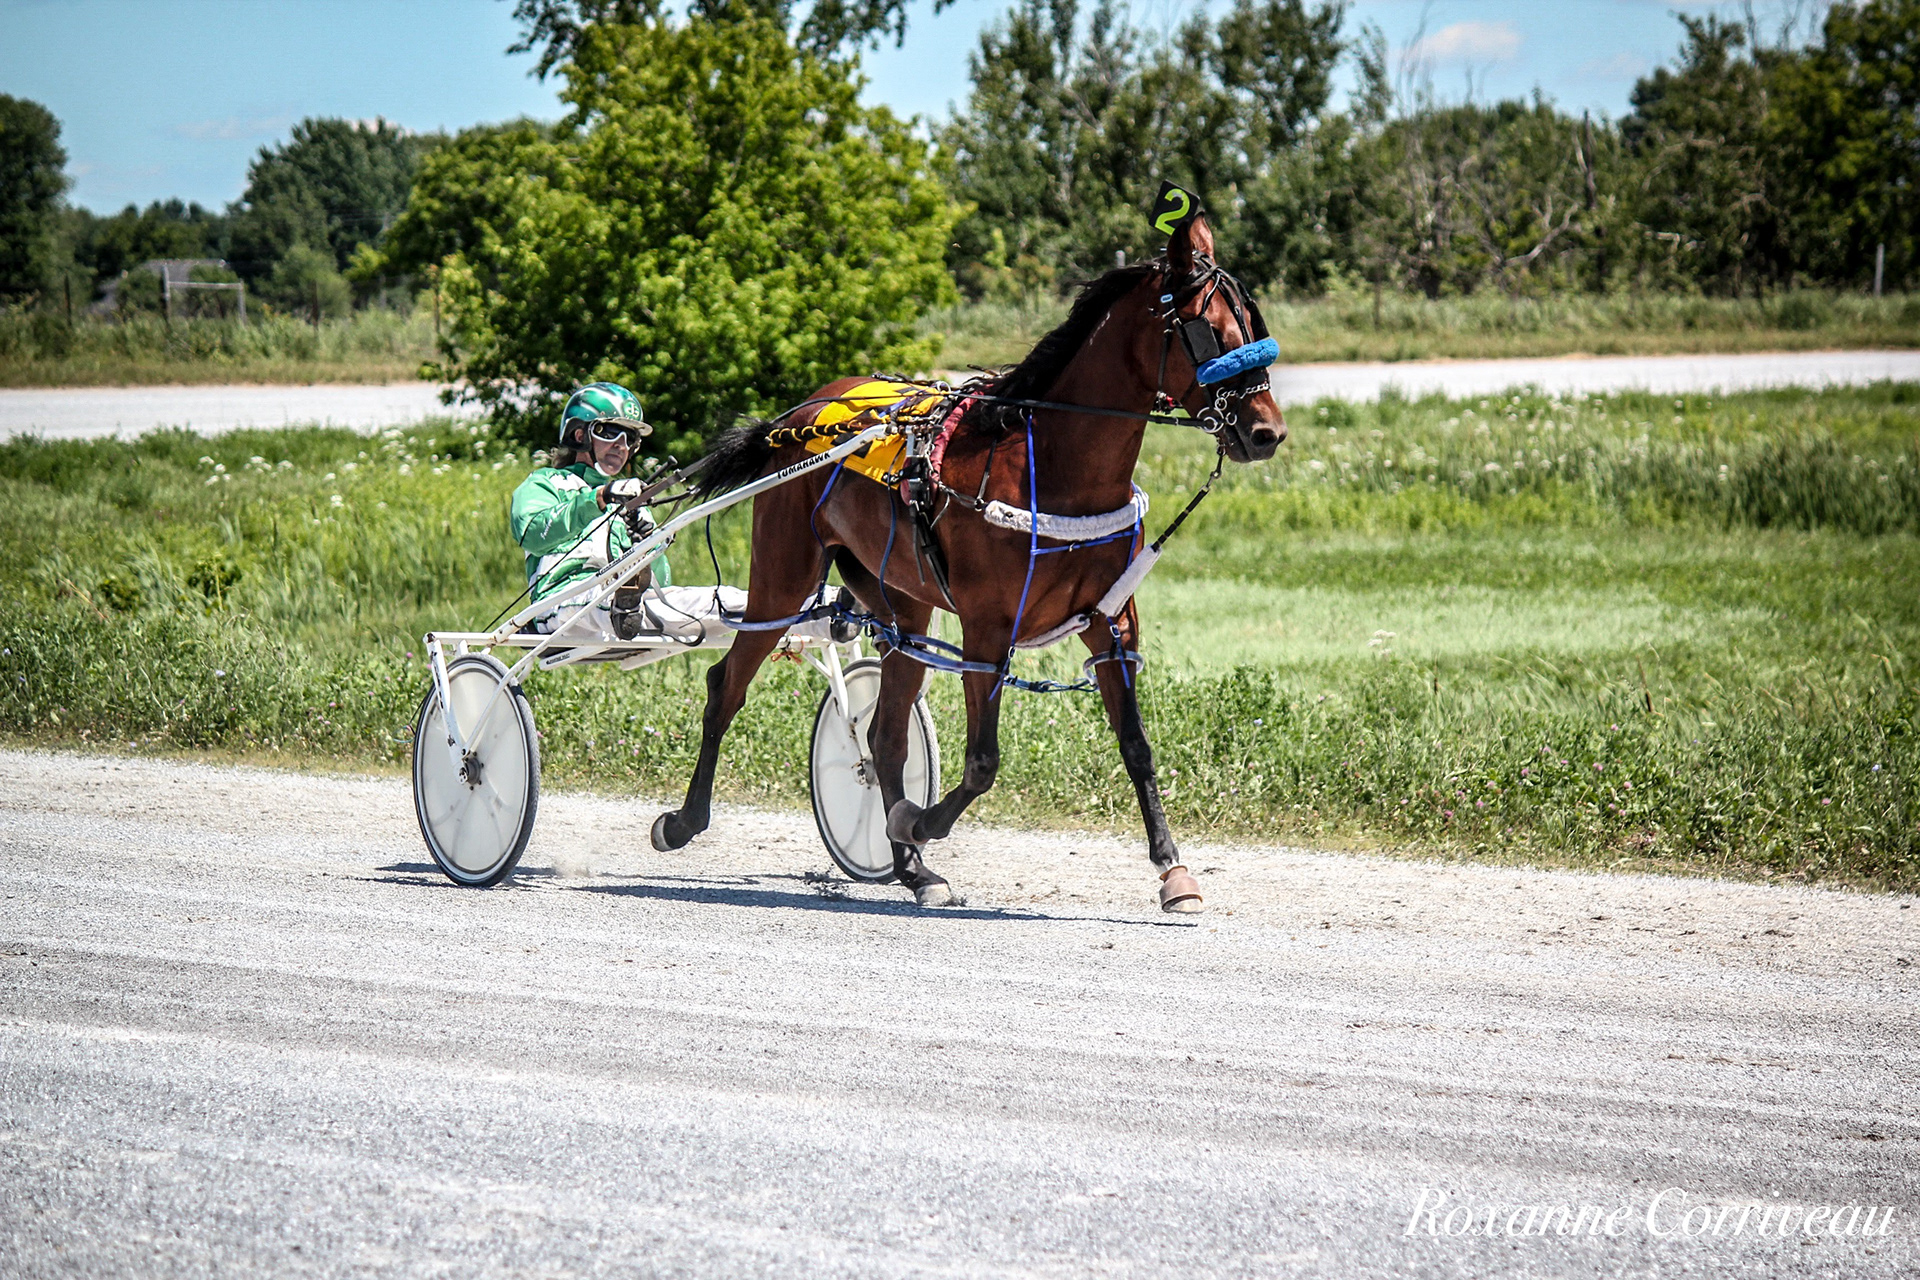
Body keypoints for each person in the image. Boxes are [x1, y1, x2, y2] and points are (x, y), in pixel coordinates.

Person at [509, 382, 842, 646]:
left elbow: (660, 583)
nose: (622, 445)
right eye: (610, 432)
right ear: (580, 435)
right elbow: (533, 534)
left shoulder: (630, 496)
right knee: (606, 601)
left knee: (718, 600)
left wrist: (646, 542)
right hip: (559, 606)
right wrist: (599, 497)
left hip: (632, 610)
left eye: (630, 437)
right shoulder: (545, 482)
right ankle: (620, 606)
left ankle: (824, 610)